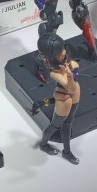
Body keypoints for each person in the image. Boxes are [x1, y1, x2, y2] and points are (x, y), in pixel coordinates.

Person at [38, 33, 80, 165]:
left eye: (62, 49)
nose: (63, 53)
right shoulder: (54, 73)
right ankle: (43, 144)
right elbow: (70, 88)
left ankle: (66, 152)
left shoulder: (71, 63)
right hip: (64, 99)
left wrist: (71, 72)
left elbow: (74, 86)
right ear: (51, 58)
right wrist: (70, 75)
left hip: (76, 94)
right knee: (54, 126)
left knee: (68, 124)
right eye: (58, 53)